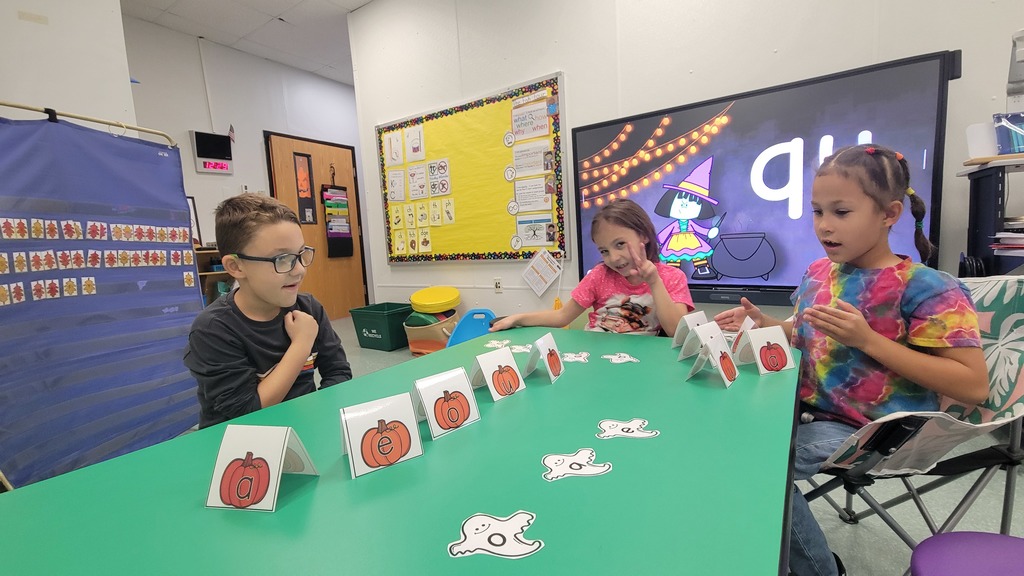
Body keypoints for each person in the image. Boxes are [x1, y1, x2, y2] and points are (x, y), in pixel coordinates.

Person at [714, 144, 988, 576]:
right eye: (817, 211)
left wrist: (870, 341)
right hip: (806, 411)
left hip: (876, 428)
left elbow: (972, 385)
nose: (825, 226)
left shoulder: (927, 288)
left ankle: (821, 571)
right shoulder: (819, 273)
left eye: (841, 212)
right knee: (722, 436)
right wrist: (761, 322)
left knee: (758, 465)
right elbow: (803, 334)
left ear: (889, 213)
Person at [184, 194, 352, 428]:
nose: (299, 270)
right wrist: (301, 345)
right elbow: (247, 412)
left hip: (305, 430)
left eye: (302, 254)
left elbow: (339, 372)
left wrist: (322, 416)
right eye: (282, 259)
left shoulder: (309, 308)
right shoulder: (213, 329)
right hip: (243, 445)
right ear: (236, 266)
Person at [491, 198, 694, 335]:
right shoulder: (599, 275)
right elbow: (562, 316)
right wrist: (518, 318)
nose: (613, 258)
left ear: (643, 235)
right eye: (604, 251)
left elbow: (676, 331)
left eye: (620, 244)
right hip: (595, 357)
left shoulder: (672, 277)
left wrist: (654, 281)